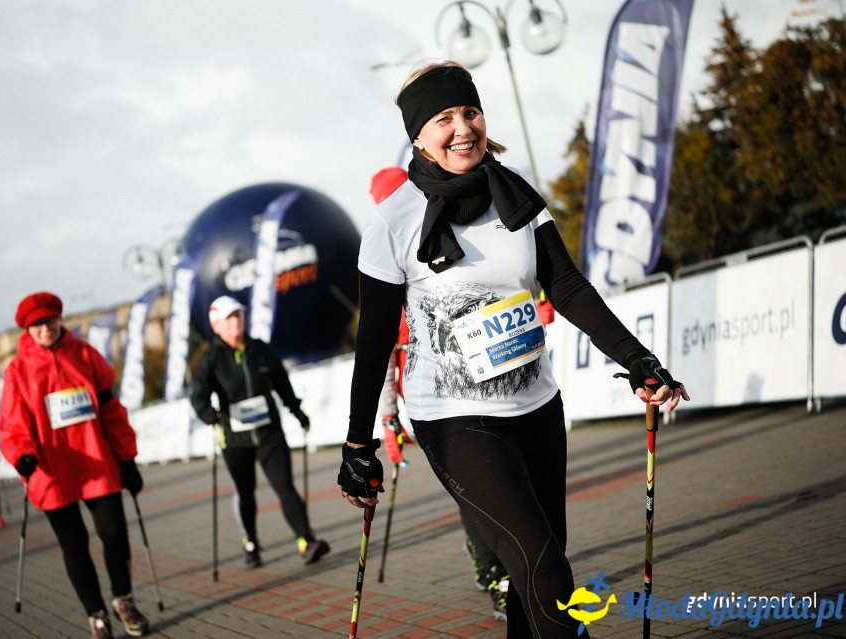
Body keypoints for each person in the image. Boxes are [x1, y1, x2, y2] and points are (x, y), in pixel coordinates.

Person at [338, 61, 690, 639]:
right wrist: (359, 443)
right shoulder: (392, 221)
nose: (462, 128)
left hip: (536, 406)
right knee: (547, 569)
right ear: (418, 135)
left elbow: (568, 286)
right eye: (443, 118)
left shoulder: (516, 193)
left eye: (469, 112)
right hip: (453, 419)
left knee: (535, 581)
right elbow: (374, 340)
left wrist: (638, 360)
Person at [370, 166, 512, 621]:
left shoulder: (460, 233)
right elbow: (380, 358)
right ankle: (498, 576)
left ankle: (508, 568)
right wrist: (388, 421)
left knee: (504, 483)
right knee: (477, 489)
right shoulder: (387, 258)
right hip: (438, 401)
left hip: (493, 382)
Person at [0, 291, 150, 639]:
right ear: (27, 329)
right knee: (74, 543)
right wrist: (22, 455)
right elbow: (11, 424)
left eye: (50, 322)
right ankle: (96, 614)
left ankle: (123, 600)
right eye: (37, 325)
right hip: (52, 472)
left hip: (97, 461)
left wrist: (127, 457)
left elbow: (111, 409)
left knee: (114, 534)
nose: (46, 330)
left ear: (59, 320)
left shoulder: (84, 355)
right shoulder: (18, 371)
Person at [190, 295, 330, 568]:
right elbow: (198, 395)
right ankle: (250, 544)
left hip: (269, 434)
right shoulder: (212, 358)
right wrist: (208, 414)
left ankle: (306, 541)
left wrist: (296, 411)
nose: (236, 321)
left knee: (285, 486)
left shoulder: (261, 350)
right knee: (246, 492)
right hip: (235, 438)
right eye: (229, 317)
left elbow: (282, 384)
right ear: (217, 325)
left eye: (239, 315)